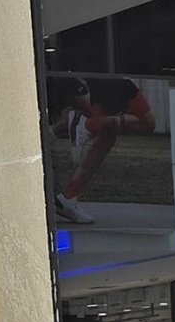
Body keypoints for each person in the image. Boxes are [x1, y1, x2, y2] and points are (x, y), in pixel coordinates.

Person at [50, 77, 157, 224]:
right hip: (112, 80)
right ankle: (86, 125)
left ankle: (68, 196)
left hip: (102, 80)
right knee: (147, 123)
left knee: (106, 135)